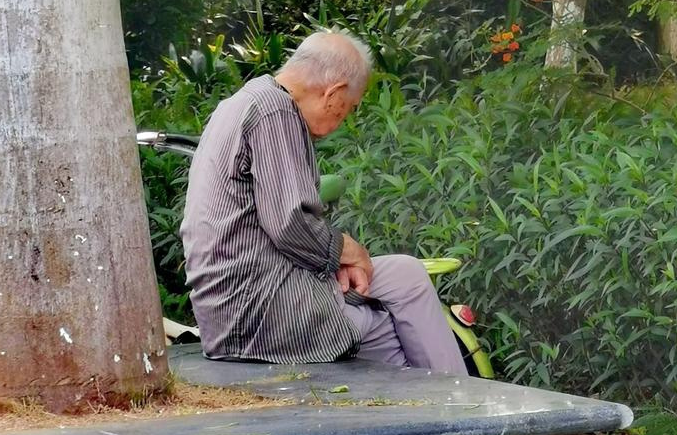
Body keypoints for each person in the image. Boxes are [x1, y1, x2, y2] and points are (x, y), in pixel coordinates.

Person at [180, 30, 466, 373]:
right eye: (347, 110)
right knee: (382, 328)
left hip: (247, 294)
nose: (340, 122)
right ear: (335, 93)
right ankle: (449, 408)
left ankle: (453, 393)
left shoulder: (245, 101)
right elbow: (291, 224)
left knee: (407, 273)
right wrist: (349, 250)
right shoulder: (275, 114)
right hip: (259, 309)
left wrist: (338, 259)